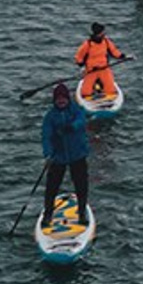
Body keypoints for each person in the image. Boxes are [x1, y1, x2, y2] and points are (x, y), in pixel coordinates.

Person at [39, 80, 92, 229]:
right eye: (58, 99)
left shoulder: (76, 111)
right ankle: (48, 214)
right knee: (52, 187)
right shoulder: (50, 117)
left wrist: (70, 127)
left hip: (78, 155)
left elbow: (81, 121)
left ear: (68, 99)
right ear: (54, 101)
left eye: (63, 99)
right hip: (58, 156)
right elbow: (46, 136)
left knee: (81, 185)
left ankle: (81, 212)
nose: (61, 101)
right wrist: (48, 154)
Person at [74, 22, 125, 100]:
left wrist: (121, 56)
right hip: (91, 70)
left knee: (109, 86)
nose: (102, 34)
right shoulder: (87, 44)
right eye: (101, 32)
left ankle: (109, 95)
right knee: (86, 90)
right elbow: (79, 55)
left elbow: (113, 51)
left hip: (104, 68)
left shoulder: (106, 42)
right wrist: (79, 62)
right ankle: (87, 97)